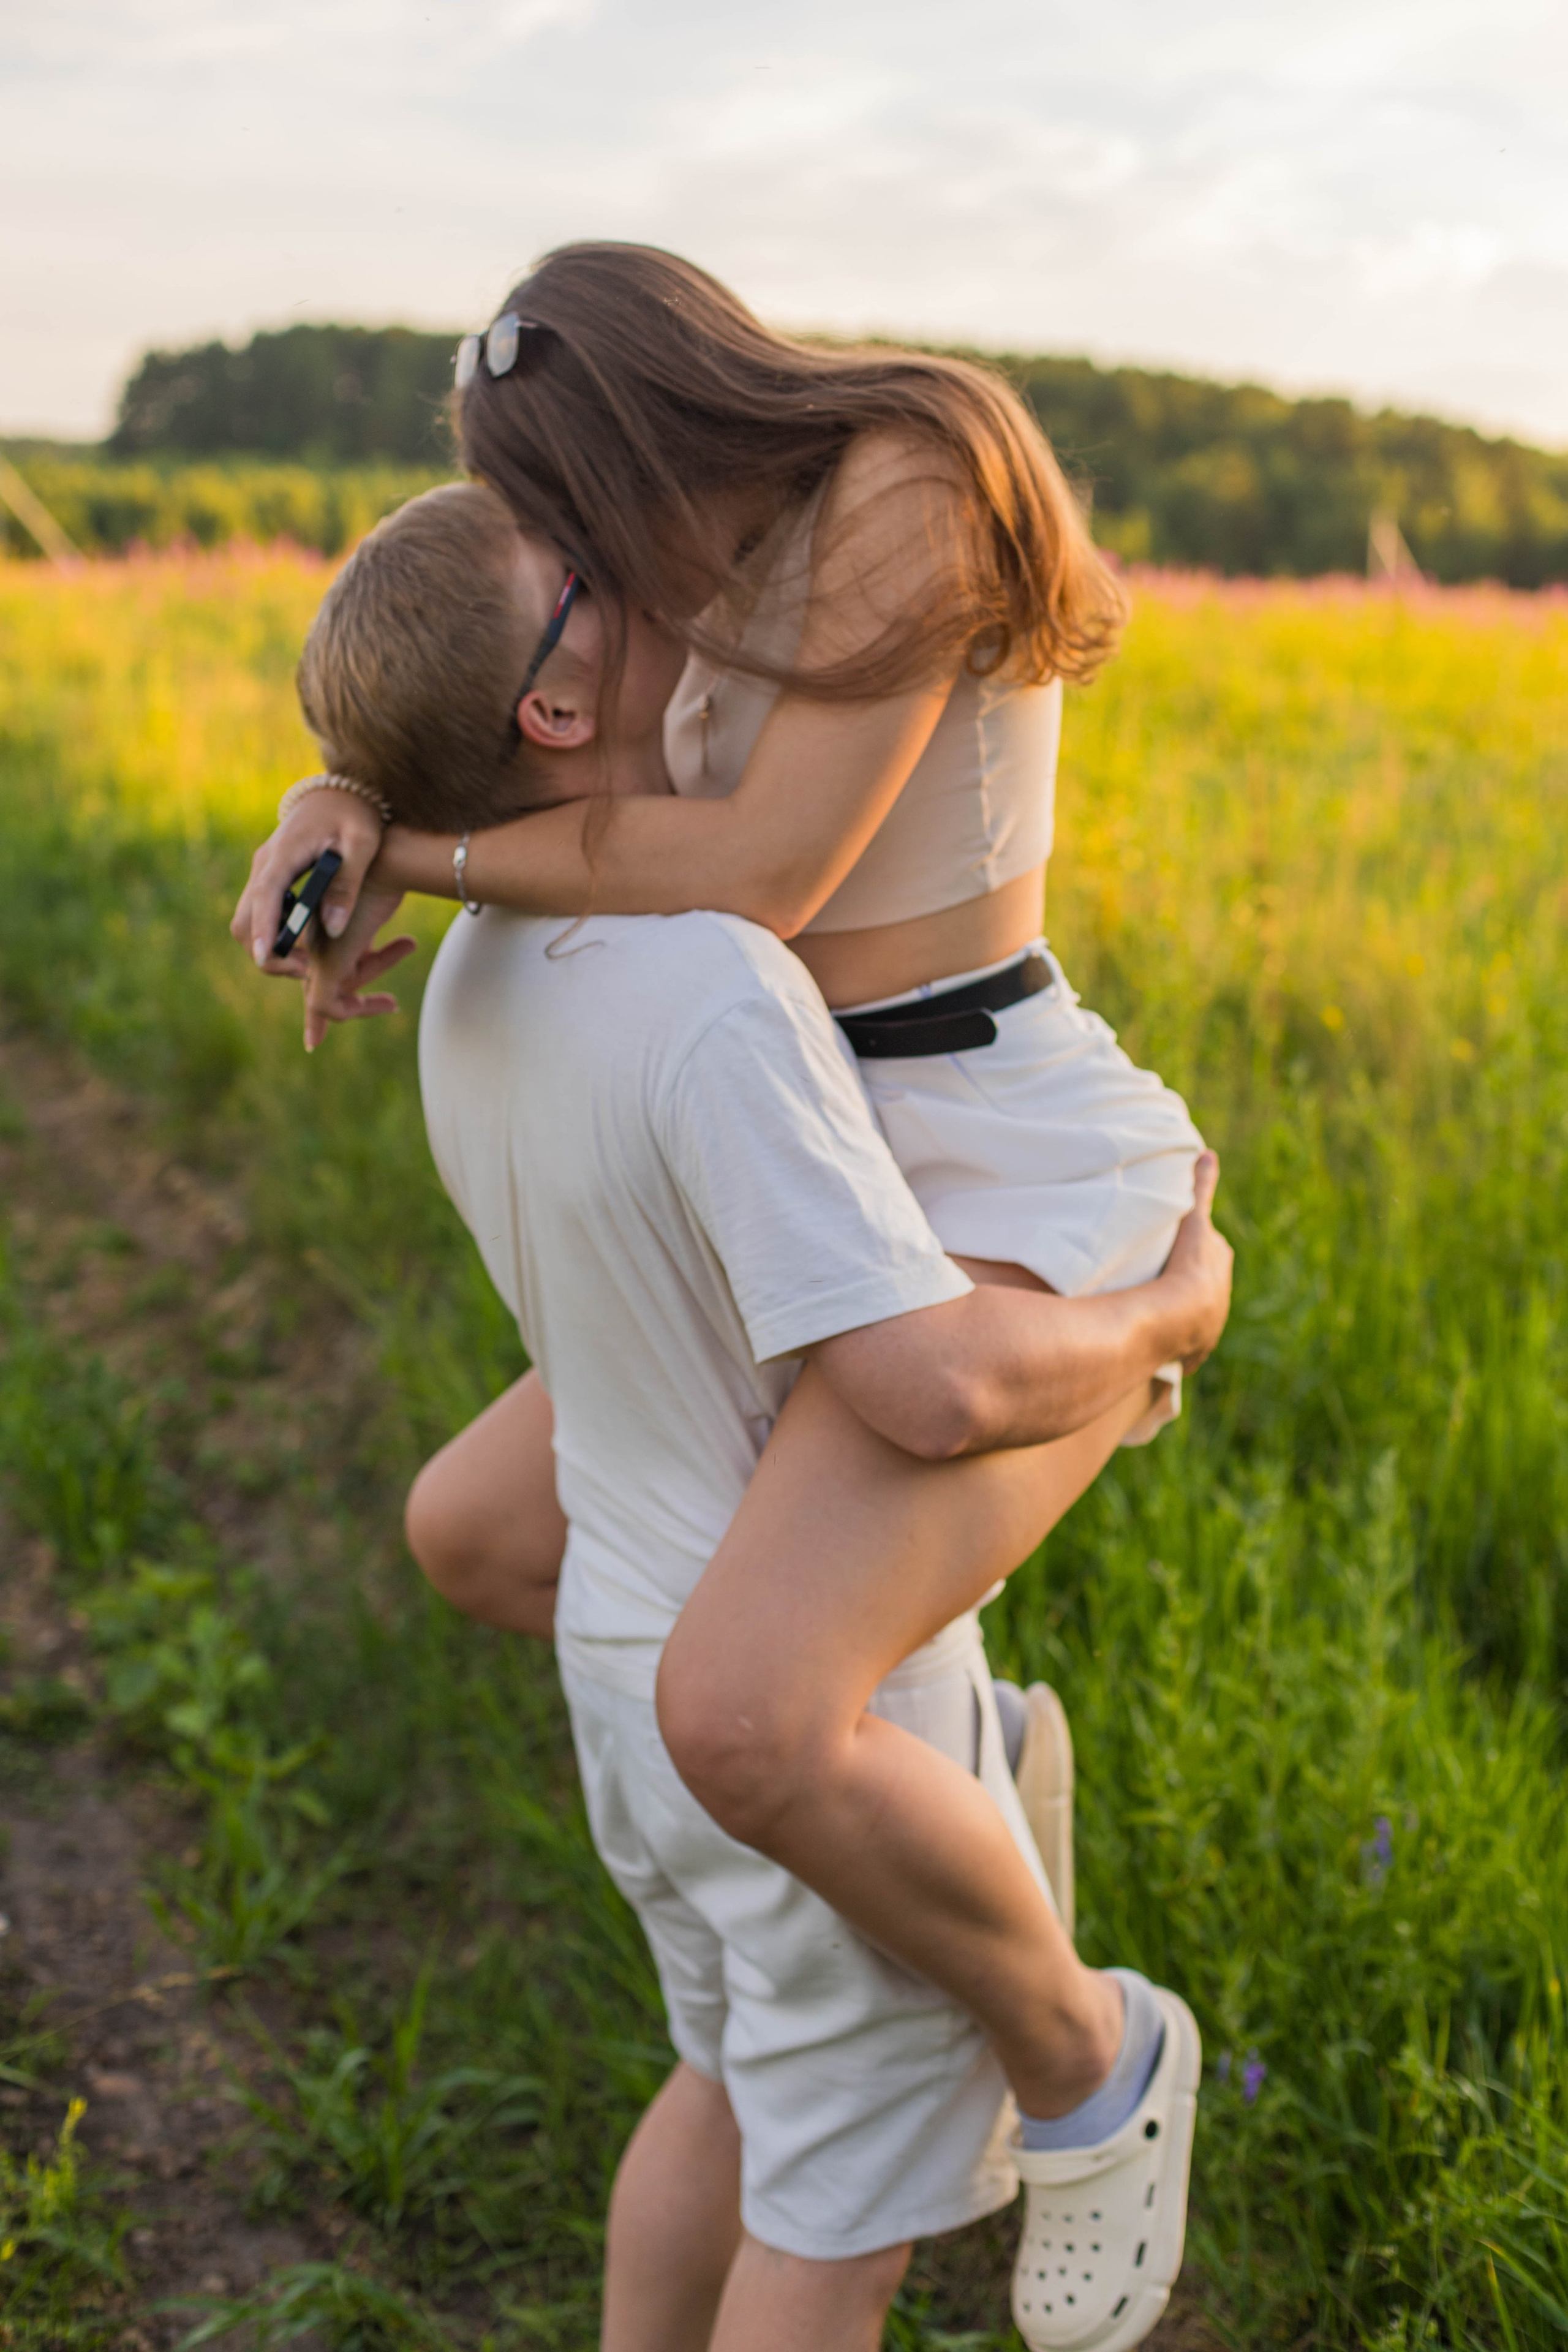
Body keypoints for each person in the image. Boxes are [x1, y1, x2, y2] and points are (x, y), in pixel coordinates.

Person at [273, 478, 1233, 2350]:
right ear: (555, 705)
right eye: (583, 574)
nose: (634, 571)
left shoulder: (468, 985)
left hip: (628, 1687)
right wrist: (1158, 1311)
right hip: (810, 1690)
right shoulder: (713, 985)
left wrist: (356, 798)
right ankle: (1095, 2047)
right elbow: (926, 1384)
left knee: (722, 2090)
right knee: (828, 2224)